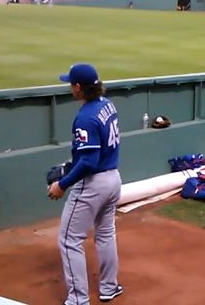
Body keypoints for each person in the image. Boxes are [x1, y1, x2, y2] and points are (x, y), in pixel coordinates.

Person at [48, 63, 124, 305]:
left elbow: (89, 161)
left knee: (69, 239)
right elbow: (91, 154)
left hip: (93, 183)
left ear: (78, 88)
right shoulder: (106, 105)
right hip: (113, 178)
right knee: (105, 233)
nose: (69, 87)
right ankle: (109, 288)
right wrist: (71, 165)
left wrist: (63, 183)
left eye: (71, 83)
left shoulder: (85, 117)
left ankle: (78, 300)